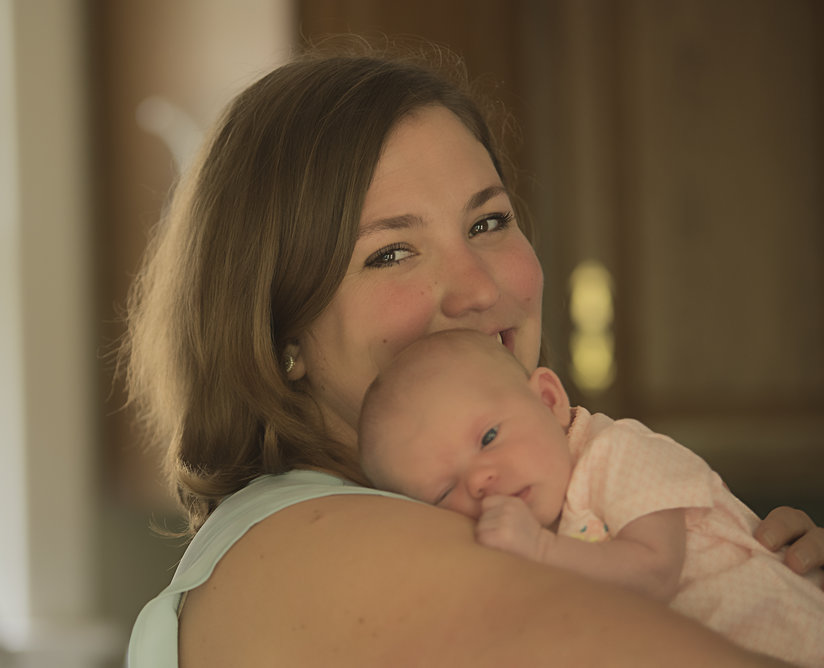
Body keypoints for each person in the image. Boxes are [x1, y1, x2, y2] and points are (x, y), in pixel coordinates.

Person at [123, 39, 824, 666]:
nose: (479, 288)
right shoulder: (325, 542)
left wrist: (762, 595)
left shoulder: (529, 502)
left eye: (488, 221)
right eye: (391, 251)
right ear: (281, 337)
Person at [358, 328, 824, 667]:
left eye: (489, 437)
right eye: (443, 491)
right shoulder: (517, 531)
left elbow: (655, 571)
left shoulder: (618, 452)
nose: (480, 480)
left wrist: (541, 551)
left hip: (792, 636)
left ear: (547, 399)